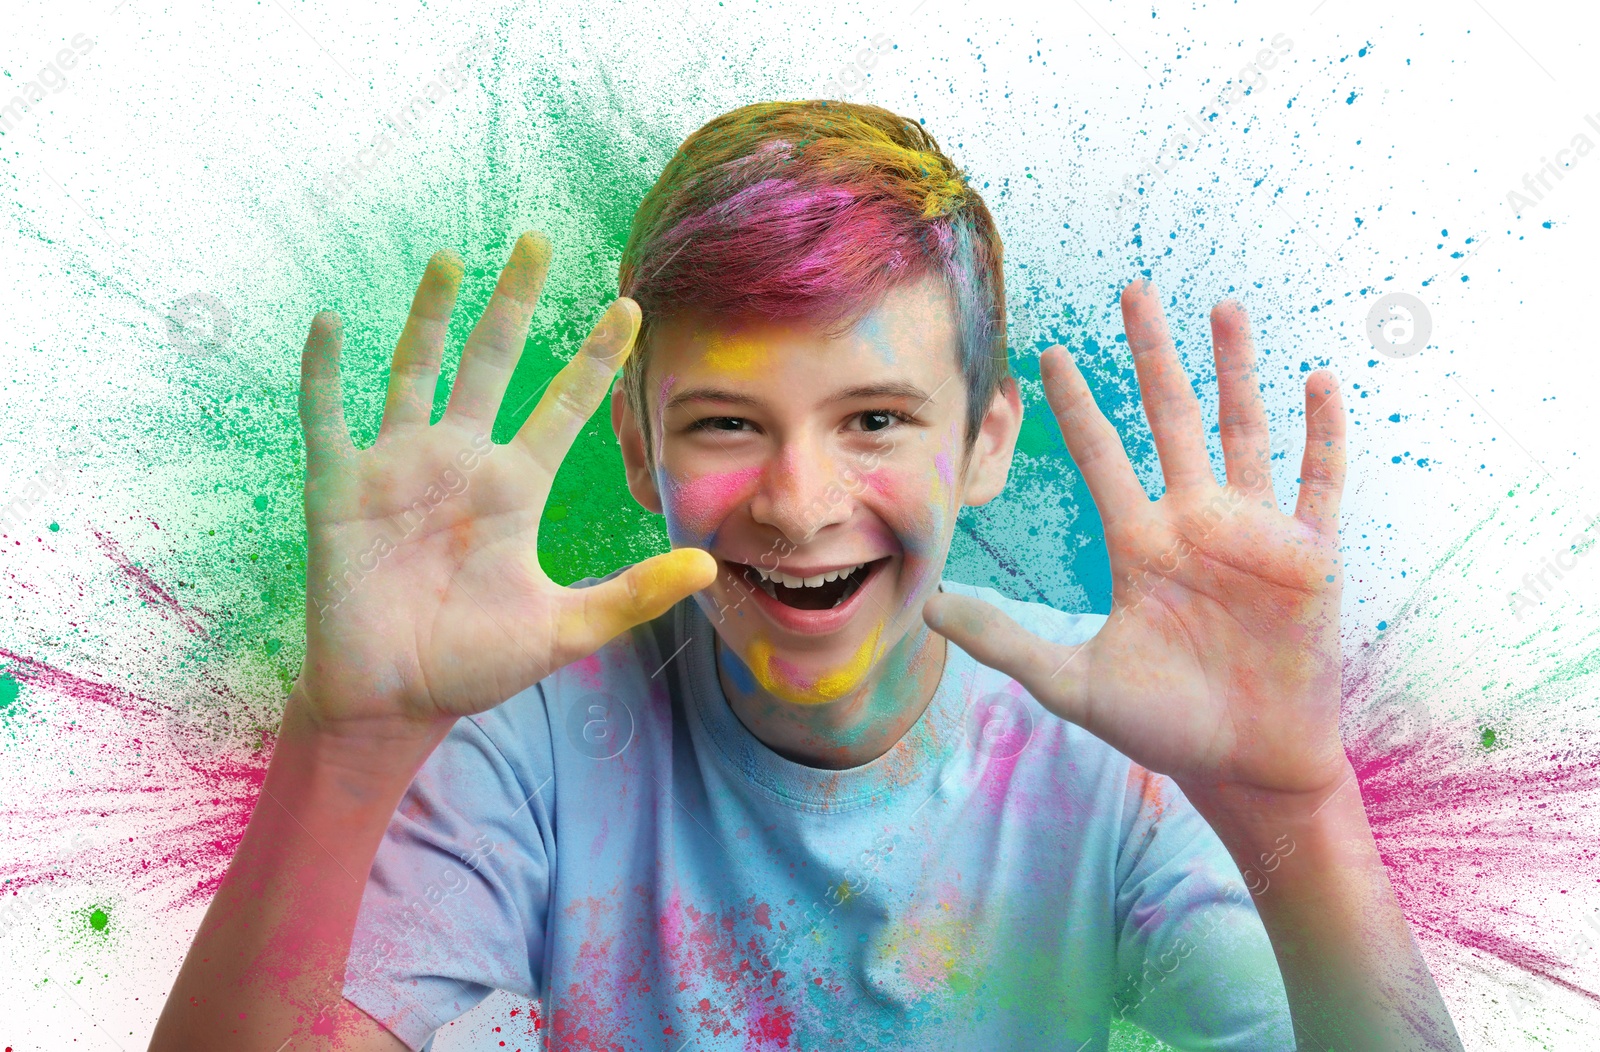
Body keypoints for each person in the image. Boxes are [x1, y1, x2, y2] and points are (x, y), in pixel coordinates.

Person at [151, 101, 1463, 1051]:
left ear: (986, 441)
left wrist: (1300, 805)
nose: (798, 501)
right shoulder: (520, 743)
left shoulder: (1125, 741)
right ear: (641, 444)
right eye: (728, 422)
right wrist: (346, 745)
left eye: (876, 419)